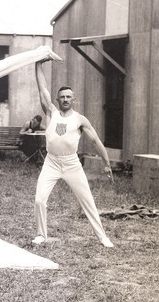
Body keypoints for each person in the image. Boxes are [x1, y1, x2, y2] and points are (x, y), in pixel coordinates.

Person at [32, 60, 115, 248]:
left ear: (73, 100)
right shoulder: (51, 112)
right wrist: (38, 64)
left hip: (71, 164)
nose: (65, 99)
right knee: (39, 200)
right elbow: (42, 87)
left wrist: (107, 164)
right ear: (57, 99)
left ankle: (102, 237)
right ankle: (41, 235)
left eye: (69, 97)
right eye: (62, 97)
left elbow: (96, 141)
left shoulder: (80, 119)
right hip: (51, 162)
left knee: (87, 200)